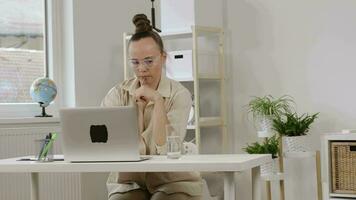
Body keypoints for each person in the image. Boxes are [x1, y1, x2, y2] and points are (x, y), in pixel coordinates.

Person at [101, 14, 202, 200]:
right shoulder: (117, 94)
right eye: (135, 62)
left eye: (149, 61)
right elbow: (116, 149)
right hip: (129, 182)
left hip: (173, 182)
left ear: (163, 58)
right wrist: (137, 112)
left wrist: (158, 102)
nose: (142, 69)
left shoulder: (179, 95)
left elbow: (165, 151)